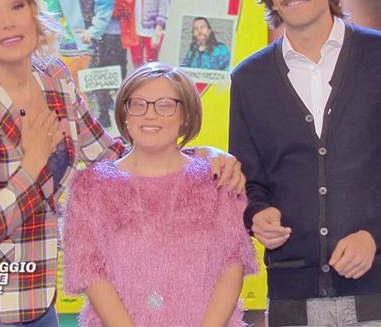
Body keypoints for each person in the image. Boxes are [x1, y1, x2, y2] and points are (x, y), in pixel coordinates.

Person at [0, 0, 245, 326]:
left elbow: (110, 157)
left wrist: (201, 158)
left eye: (17, 5)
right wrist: (34, 162)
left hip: (35, 294)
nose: (8, 22)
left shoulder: (54, 77)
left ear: (34, 13)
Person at [229, 0, 381, 326]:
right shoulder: (249, 79)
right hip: (292, 302)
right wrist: (256, 214)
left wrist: (375, 236)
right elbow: (248, 183)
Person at [63, 62, 258, 327]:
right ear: (124, 113)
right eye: (138, 104)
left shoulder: (218, 181)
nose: (150, 115)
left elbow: (232, 264)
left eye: (165, 105)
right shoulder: (90, 187)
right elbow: (90, 271)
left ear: (185, 114)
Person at [92, 0, 137, 128]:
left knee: (117, 77)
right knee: (100, 75)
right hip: (102, 32)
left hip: (117, 34)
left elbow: (120, 6)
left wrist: (99, 7)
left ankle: (123, 120)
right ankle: (104, 115)